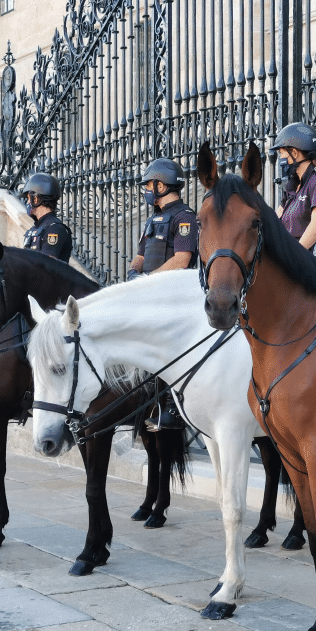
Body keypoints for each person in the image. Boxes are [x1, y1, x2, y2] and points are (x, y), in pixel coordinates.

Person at [128, 158, 198, 431]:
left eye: (149, 184)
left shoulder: (184, 217)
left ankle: (173, 409)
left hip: (171, 297)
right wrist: (134, 274)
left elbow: (182, 259)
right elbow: (140, 255)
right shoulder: (152, 220)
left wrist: (148, 280)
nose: (146, 189)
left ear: (161, 184)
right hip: (148, 296)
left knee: (170, 352)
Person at [272, 123, 316, 260]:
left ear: (294, 153)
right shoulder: (292, 186)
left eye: (282, 153)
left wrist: (293, 256)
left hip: (309, 261)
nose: (281, 159)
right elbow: (275, 220)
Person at [21, 172, 74, 263]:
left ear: (36, 199)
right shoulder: (36, 228)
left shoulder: (55, 229)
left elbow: (46, 268)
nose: (27, 202)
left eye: (29, 198)